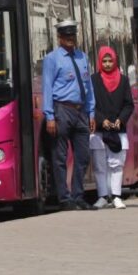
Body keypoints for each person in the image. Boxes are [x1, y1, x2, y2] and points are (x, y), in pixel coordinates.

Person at [42, 19, 97, 211]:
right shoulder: (52, 59)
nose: (70, 39)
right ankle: (65, 199)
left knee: (83, 156)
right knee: (60, 156)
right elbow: (47, 87)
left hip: (80, 111)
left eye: (72, 35)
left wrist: (91, 112)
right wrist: (49, 116)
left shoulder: (83, 57)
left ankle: (78, 196)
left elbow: (89, 87)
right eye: (66, 36)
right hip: (61, 109)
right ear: (59, 37)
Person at [90, 46, 132, 209]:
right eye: (104, 61)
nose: (107, 64)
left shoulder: (124, 80)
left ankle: (116, 196)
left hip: (117, 130)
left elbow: (128, 104)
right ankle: (102, 196)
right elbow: (90, 104)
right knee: (99, 165)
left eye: (110, 61)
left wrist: (121, 120)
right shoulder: (93, 80)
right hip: (99, 131)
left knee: (116, 164)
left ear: (115, 61)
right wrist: (102, 120)